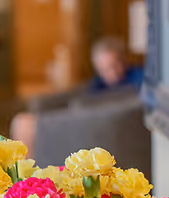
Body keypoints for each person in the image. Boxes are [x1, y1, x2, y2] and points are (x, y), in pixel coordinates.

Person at [11, 37, 143, 147]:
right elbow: (83, 96)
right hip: (78, 120)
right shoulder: (98, 84)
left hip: (89, 125)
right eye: (104, 69)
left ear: (124, 60)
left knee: (24, 124)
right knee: (22, 121)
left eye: (115, 65)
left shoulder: (138, 79)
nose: (112, 73)